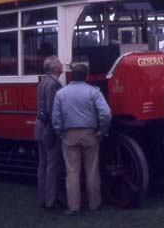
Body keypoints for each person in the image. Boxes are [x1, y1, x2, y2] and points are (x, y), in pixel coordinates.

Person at [52, 64, 111, 215]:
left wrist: (61, 133)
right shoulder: (93, 92)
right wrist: (102, 131)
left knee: (72, 172)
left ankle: (74, 207)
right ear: (87, 75)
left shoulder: (61, 94)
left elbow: (56, 119)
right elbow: (106, 114)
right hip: (90, 134)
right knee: (92, 171)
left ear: (72, 75)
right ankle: (94, 204)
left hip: (69, 134)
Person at [35, 56, 64, 209]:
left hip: (40, 126)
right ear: (55, 69)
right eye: (59, 63)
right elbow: (51, 111)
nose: (62, 64)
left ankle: (43, 198)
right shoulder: (53, 84)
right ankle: (51, 200)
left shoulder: (43, 82)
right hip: (48, 128)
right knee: (52, 165)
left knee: (43, 165)